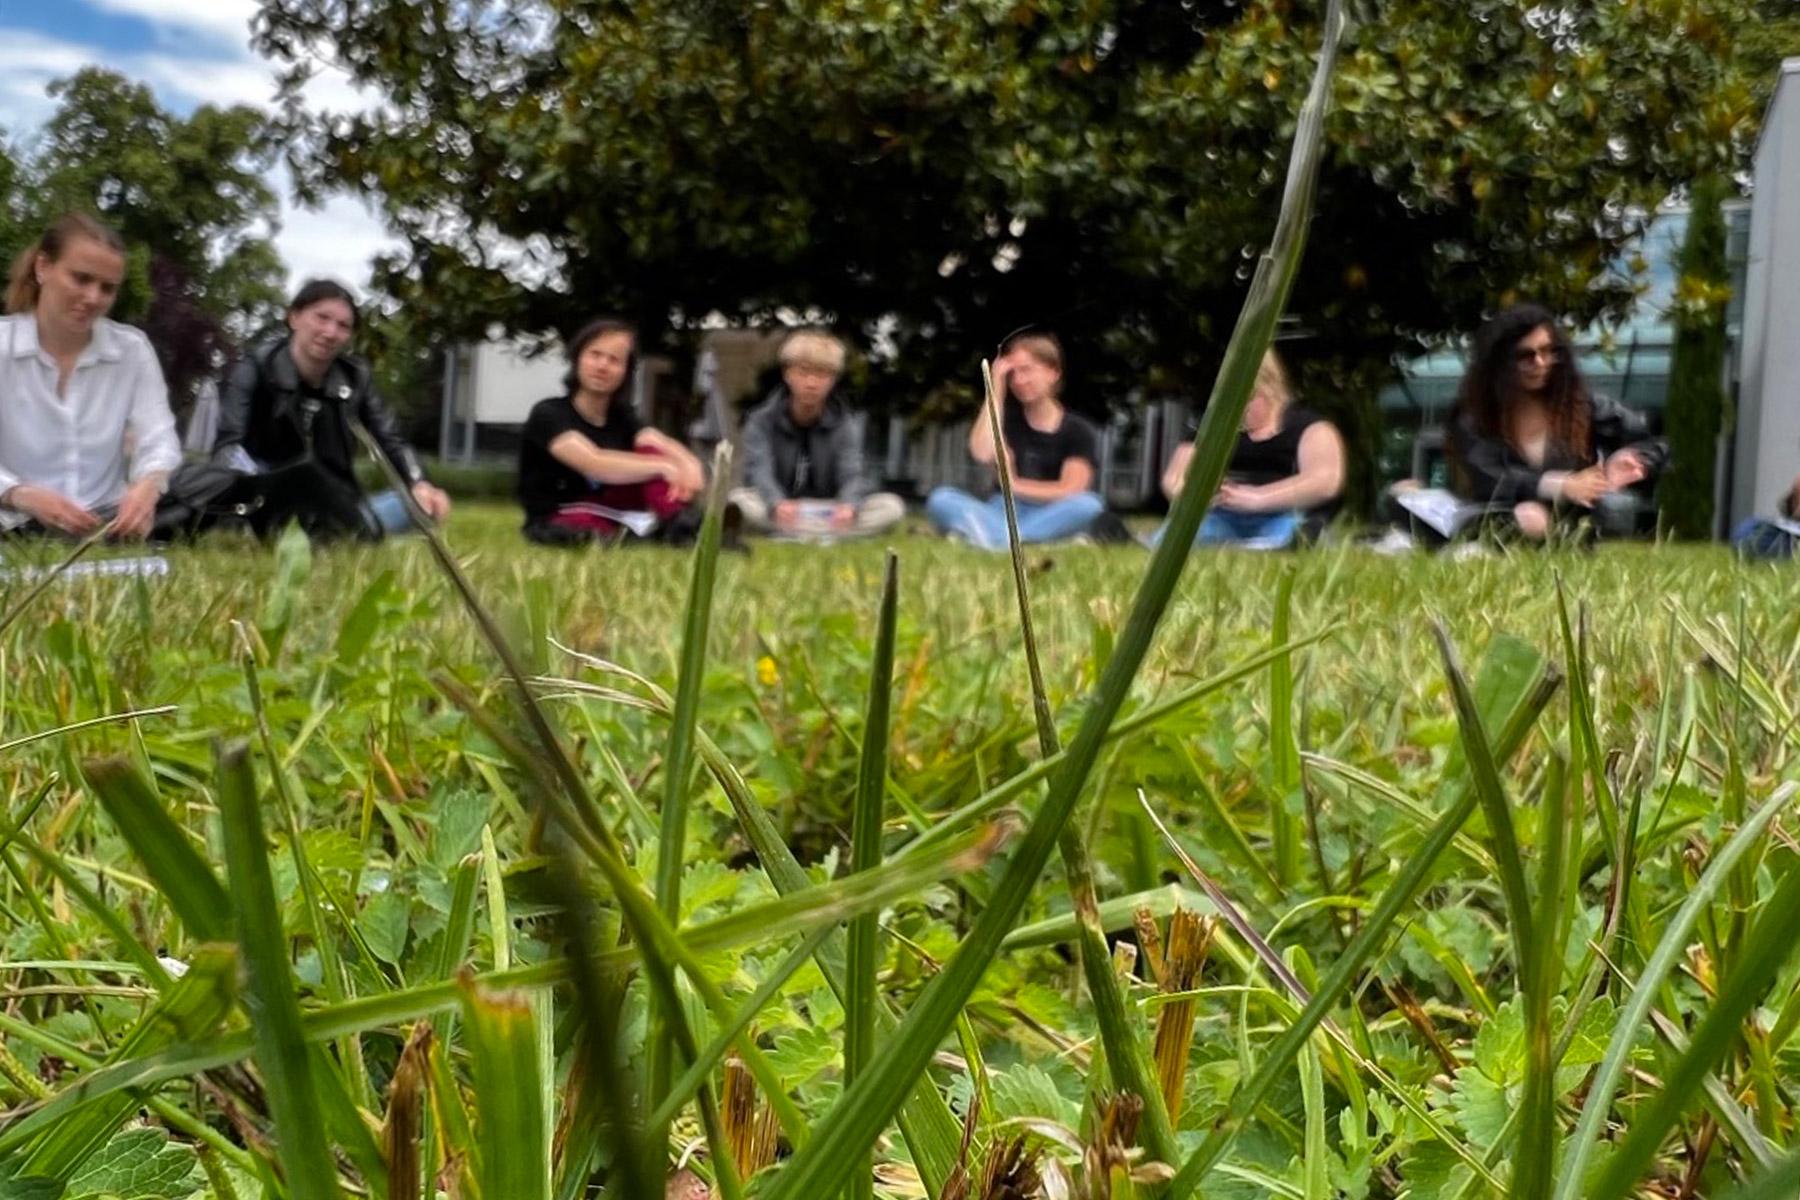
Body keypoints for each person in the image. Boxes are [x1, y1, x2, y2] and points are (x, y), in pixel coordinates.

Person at [212, 280, 451, 539]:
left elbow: (391, 439)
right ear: (294, 317)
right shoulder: (258, 366)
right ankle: (350, 533)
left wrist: (419, 483)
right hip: (266, 493)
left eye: (343, 326)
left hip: (338, 499)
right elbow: (228, 446)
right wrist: (255, 487)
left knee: (425, 503)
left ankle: (348, 530)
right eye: (322, 318)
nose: (330, 332)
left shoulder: (356, 378)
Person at [0, 213, 181, 539]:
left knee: (210, 481)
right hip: (14, 519)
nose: (93, 298)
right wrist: (20, 494)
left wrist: (146, 487)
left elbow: (159, 439)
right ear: (43, 267)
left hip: (104, 520)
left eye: (108, 288)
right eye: (81, 279)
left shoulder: (132, 350)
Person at [1448, 303, 1664, 541]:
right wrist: (1561, 485)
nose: (1541, 363)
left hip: (1570, 536)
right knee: (1527, 515)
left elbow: (1655, 443)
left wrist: (1632, 460)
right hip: (1493, 526)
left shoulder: (1583, 407)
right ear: (1500, 362)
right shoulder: (1473, 415)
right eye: (1525, 356)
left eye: (1548, 351)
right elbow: (1487, 478)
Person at [517, 317, 709, 545]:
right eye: (595, 355)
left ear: (626, 371)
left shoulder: (623, 417)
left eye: (614, 360)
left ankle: (681, 522)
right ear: (578, 358)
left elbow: (656, 442)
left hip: (616, 512)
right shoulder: (549, 413)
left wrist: (688, 465)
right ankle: (673, 531)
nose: (602, 366)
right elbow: (593, 463)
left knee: (650, 449)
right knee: (590, 528)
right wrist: (664, 467)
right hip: (560, 515)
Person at [924, 331, 1108, 548]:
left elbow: (1071, 490)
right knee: (941, 498)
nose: (1019, 381)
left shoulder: (1078, 429)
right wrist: (995, 389)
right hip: (1000, 510)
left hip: (1052, 511)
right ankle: (1019, 541)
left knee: (1090, 504)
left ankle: (994, 539)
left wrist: (1014, 485)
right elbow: (981, 452)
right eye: (1012, 374)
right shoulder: (1006, 420)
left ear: (1053, 372)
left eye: (1027, 370)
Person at [1154, 348, 1345, 548]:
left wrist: (1257, 498)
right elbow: (1174, 479)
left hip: (1283, 516)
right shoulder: (1212, 429)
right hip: (1220, 517)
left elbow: (1326, 481)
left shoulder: (1309, 428)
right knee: (1176, 537)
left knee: (1297, 533)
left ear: (1270, 387)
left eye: (1250, 395)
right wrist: (1200, 495)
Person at [727, 329, 904, 539]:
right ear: (787, 373)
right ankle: (828, 535)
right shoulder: (761, 420)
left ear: (833, 379)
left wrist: (849, 505)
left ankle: (795, 534)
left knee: (891, 507)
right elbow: (759, 470)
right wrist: (776, 502)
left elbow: (852, 473)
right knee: (739, 501)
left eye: (821, 374)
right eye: (803, 372)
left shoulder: (844, 423)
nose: (811, 383)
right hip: (781, 506)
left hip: (829, 508)